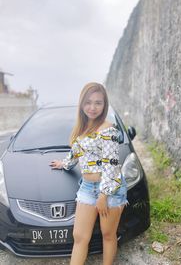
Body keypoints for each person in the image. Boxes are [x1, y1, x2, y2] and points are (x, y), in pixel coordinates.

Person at [50, 82, 128, 265]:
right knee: (79, 236)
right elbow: (77, 152)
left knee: (108, 235)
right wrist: (64, 163)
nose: (92, 108)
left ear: (104, 105)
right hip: (87, 187)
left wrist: (103, 195)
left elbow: (112, 164)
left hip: (109, 189)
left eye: (98, 103)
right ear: (82, 104)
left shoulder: (108, 129)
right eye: (88, 102)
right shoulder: (83, 129)